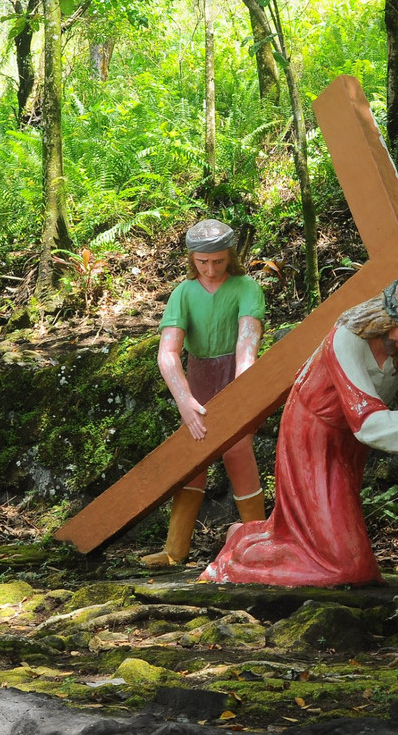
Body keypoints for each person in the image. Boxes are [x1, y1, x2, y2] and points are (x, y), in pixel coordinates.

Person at [200, 276, 398, 587]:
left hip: (350, 442)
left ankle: (255, 536)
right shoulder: (346, 340)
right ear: (385, 317)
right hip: (313, 436)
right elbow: (369, 423)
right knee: (344, 568)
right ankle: (240, 555)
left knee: (327, 545)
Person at [140, 219, 267, 568]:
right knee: (191, 460)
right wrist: (185, 401)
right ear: (191, 259)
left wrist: (241, 394)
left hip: (235, 377)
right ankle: (175, 551)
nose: (210, 270)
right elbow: (167, 353)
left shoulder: (247, 288)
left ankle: (257, 543)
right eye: (202, 262)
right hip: (197, 379)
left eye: (218, 261)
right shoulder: (183, 292)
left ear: (231, 257)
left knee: (237, 452)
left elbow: (247, 347)